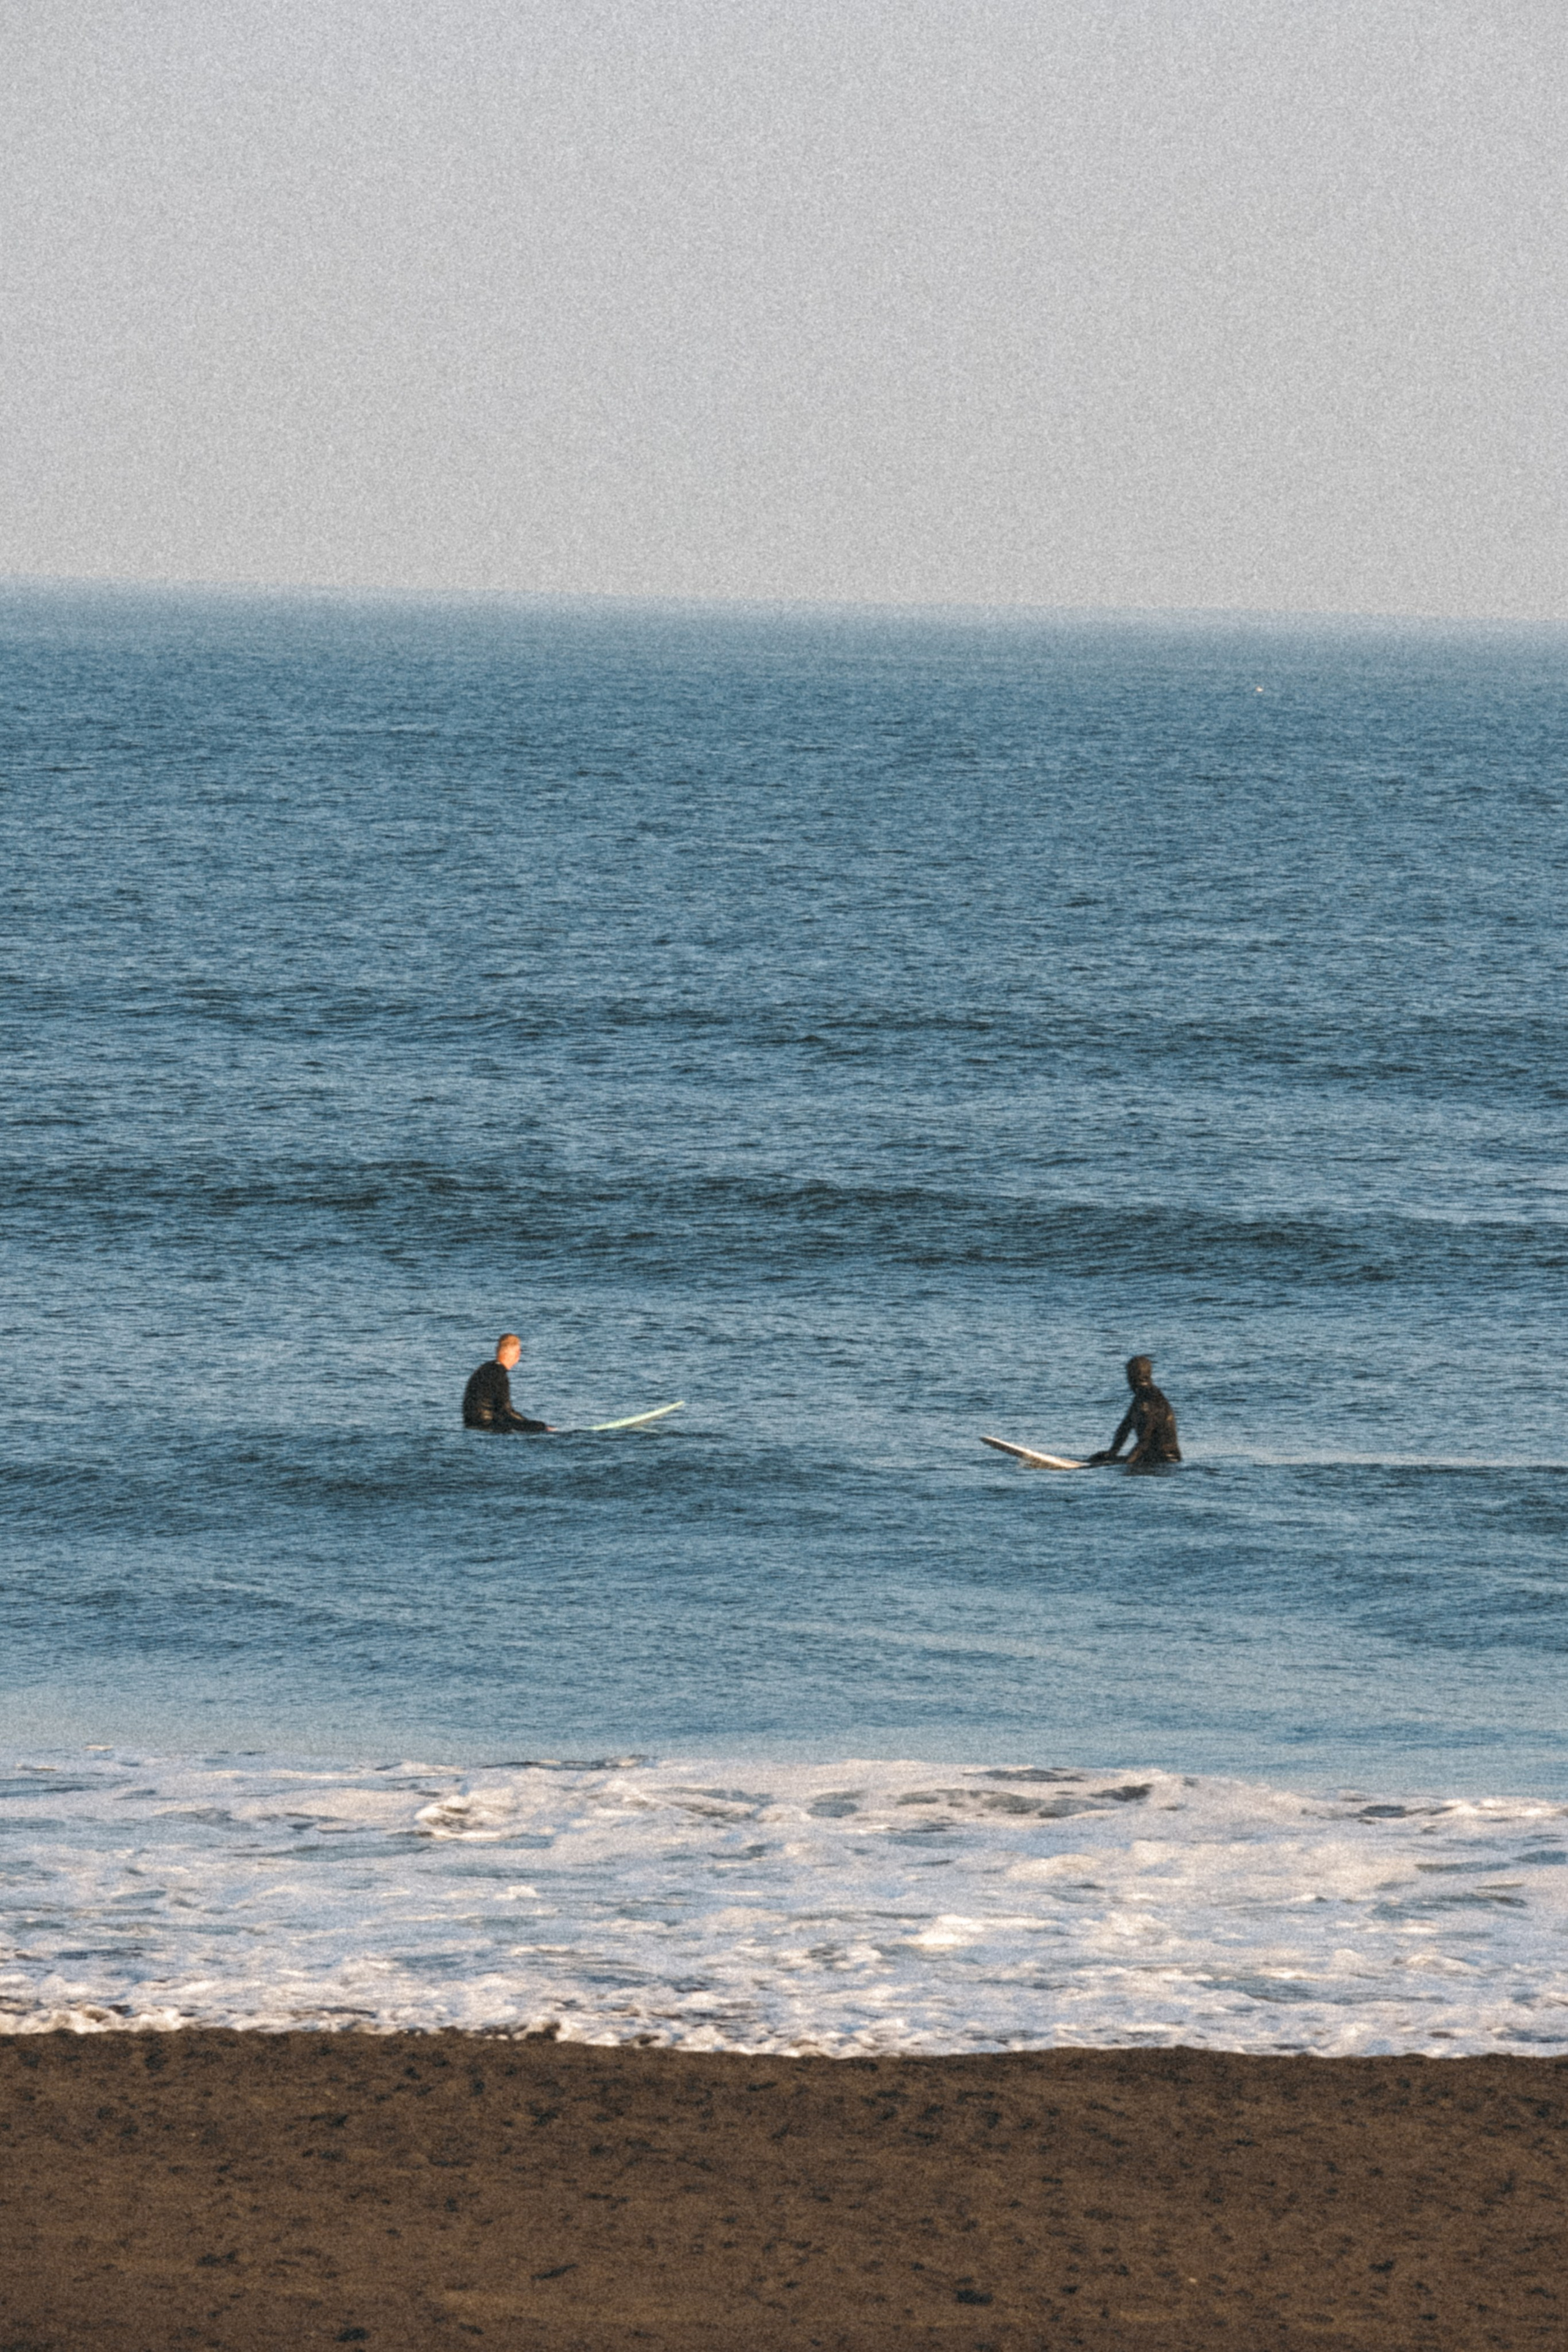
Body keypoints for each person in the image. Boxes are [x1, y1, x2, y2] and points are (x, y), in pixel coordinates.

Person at [1090, 1355, 1181, 1469]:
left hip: (1165, 1461)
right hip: (1149, 1457)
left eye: (1128, 1375)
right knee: (1098, 1459)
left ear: (1134, 1377)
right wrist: (1112, 1453)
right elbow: (1125, 1428)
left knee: (1107, 1465)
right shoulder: (1142, 1396)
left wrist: (1126, 1465)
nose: (1127, 1380)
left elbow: (1144, 1442)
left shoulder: (1150, 1400)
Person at [462, 1334, 551, 1433]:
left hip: (471, 1426)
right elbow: (506, 1414)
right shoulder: (499, 1375)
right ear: (518, 1353)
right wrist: (541, 1427)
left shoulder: (485, 1368)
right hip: (487, 1428)